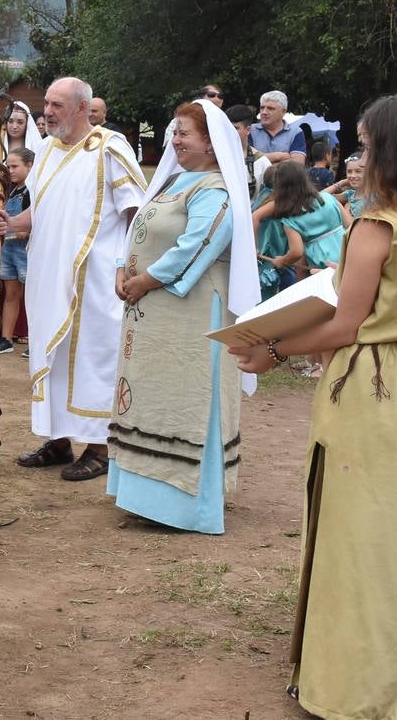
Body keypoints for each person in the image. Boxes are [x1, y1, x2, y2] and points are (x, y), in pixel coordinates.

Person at [228, 94, 397, 720]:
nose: (357, 156)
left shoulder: (375, 225)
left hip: (369, 393)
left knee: (359, 533)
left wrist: (272, 346)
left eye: (365, 143)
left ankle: (358, 682)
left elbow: (346, 324)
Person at [107, 99, 257, 534]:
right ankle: (145, 495)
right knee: (153, 395)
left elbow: (201, 241)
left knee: (186, 399)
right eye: (173, 131)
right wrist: (122, 267)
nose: (175, 139)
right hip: (154, 312)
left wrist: (147, 279)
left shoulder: (215, 189)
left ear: (211, 145)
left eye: (184, 133)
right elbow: (137, 228)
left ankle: (185, 504)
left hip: (192, 315)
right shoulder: (172, 182)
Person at [0, 77, 147, 481]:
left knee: (92, 358)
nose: (48, 111)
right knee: (50, 356)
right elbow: (37, 214)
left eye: (57, 105)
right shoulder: (46, 152)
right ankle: (58, 439)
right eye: (46, 103)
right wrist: (9, 223)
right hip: (47, 273)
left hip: (94, 278)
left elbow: (137, 214)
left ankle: (99, 447)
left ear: (81, 108)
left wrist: (126, 266)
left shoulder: (110, 148)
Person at [253, 161, 347, 275]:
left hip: (323, 264)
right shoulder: (329, 198)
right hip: (348, 255)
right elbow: (351, 224)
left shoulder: (291, 221)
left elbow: (296, 251)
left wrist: (282, 260)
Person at [0, 146, 34, 355]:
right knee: (11, 294)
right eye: (8, 166)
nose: (10, 171)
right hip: (9, 248)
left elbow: (38, 221)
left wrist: (25, 231)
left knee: (31, 295)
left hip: (26, 250)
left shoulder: (32, 191)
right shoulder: (11, 191)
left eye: (15, 166)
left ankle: (34, 339)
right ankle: (6, 337)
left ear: (29, 166)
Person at [226, 104, 270, 197]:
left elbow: (269, 198)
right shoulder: (213, 157)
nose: (229, 132)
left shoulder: (261, 162)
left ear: (248, 130)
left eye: (235, 128)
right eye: (226, 128)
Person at [250, 91, 306, 164]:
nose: (264, 112)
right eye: (262, 108)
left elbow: (298, 164)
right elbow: (248, 159)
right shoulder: (250, 130)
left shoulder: (296, 132)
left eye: (270, 108)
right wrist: (279, 156)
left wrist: (261, 159)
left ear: (283, 111)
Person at [324, 152, 367, 220]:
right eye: (349, 171)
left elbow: (354, 225)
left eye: (358, 171)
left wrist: (345, 209)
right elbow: (320, 198)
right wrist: (340, 183)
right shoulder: (349, 194)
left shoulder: (373, 199)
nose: (352, 175)